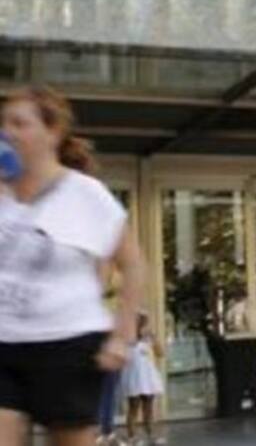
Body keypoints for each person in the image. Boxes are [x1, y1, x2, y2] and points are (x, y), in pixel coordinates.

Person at [0, 86, 145, 446]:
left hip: (67, 346)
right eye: (4, 123)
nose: (7, 132)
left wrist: (122, 335)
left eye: (20, 123)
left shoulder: (84, 194)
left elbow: (133, 264)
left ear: (52, 132)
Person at [121, 311, 164, 446]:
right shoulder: (127, 337)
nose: (142, 324)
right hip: (133, 375)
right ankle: (132, 437)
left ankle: (151, 435)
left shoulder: (148, 337)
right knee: (133, 407)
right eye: (140, 320)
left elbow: (160, 353)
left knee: (148, 407)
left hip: (147, 375)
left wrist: (154, 339)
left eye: (144, 321)